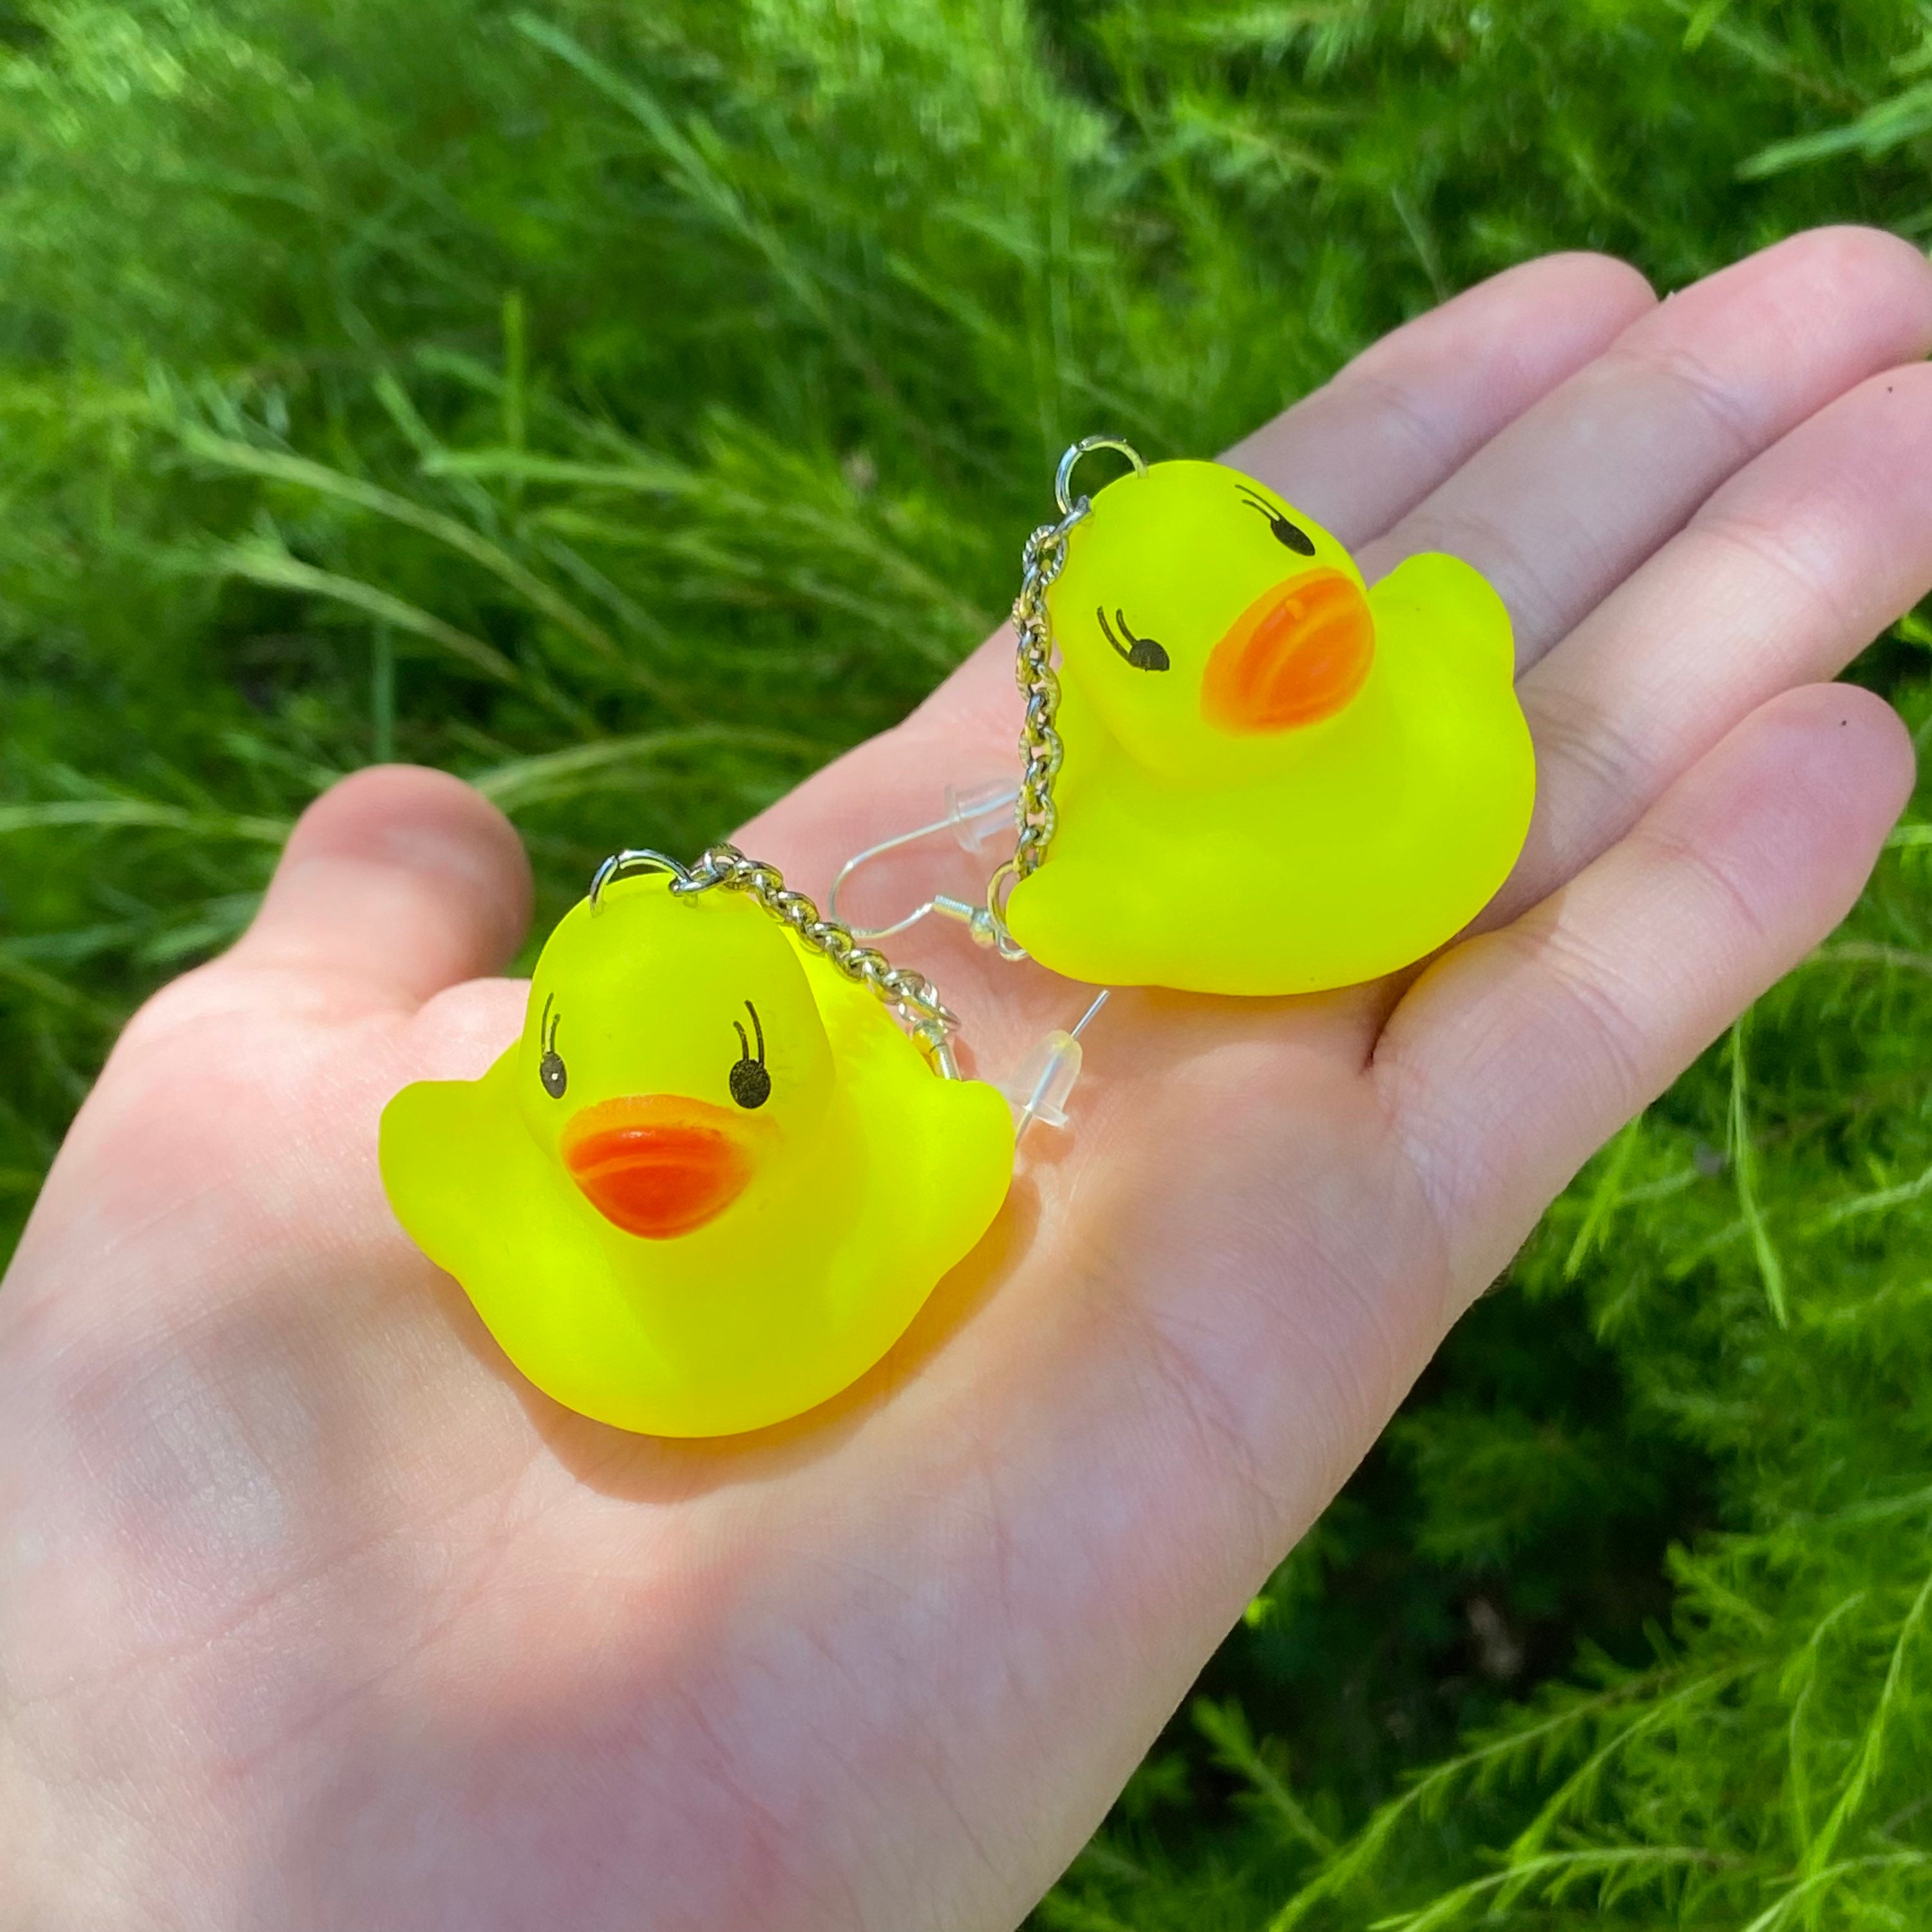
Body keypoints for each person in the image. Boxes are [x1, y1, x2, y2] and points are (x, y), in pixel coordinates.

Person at [3, 227, 1929, 1932]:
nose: (1293, 614)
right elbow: (460, 1147)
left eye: (1274, 562)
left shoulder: (1346, 736)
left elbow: (1402, 639)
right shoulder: (720, 1170)